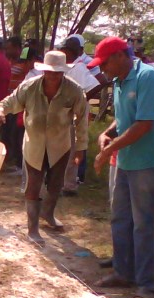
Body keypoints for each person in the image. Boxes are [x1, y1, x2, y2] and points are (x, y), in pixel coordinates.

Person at [91, 37, 154, 298]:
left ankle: (148, 284)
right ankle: (123, 273)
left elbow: (144, 124)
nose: (103, 70)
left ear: (120, 57)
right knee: (120, 218)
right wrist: (106, 133)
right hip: (125, 161)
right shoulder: (118, 81)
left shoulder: (148, 78)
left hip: (147, 162)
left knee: (145, 224)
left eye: (105, 64)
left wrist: (109, 150)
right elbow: (123, 119)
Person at [0, 51, 87, 245]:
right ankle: (32, 228)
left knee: (55, 185)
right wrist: (0, 113)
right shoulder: (29, 87)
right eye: (50, 72)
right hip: (34, 144)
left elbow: (82, 119)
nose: (54, 76)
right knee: (33, 185)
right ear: (43, 71)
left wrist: (81, 147)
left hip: (60, 145)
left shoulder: (74, 91)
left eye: (58, 73)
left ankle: (48, 214)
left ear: (63, 72)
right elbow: (8, 102)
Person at [59, 37, 102, 197]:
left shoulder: (79, 67)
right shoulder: (67, 66)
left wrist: (79, 101)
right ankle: (61, 181)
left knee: (72, 150)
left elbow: (96, 85)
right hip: (62, 114)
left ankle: (69, 186)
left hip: (74, 115)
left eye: (65, 50)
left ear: (71, 51)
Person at [3, 37, 27, 173]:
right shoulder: (9, 62)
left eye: (10, 47)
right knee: (7, 131)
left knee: (16, 132)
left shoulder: (23, 63)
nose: (7, 50)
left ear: (17, 48)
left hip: (18, 103)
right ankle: (10, 157)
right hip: (8, 102)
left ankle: (18, 161)